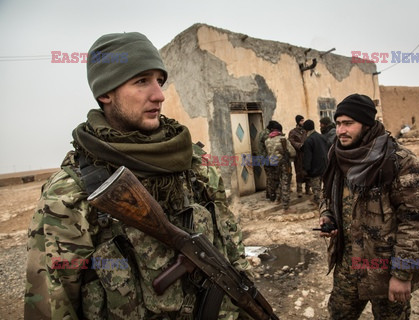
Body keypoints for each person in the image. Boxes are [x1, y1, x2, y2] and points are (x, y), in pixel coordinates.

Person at [24, 32, 253, 320]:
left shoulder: (195, 166)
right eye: (142, 81)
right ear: (105, 93)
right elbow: (52, 305)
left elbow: (232, 256)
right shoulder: (72, 194)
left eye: (160, 80)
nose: (159, 94)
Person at [318, 94, 419, 319]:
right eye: (339, 123)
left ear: (367, 124)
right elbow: (327, 193)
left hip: (385, 268)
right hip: (347, 266)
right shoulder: (337, 156)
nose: (341, 130)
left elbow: (418, 221)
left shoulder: (399, 161)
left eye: (348, 123)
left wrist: (402, 273)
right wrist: (327, 215)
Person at [265, 122, 296, 213]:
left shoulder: (267, 141)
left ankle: (277, 200)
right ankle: (286, 207)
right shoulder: (283, 139)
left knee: (277, 182)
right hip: (284, 164)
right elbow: (293, 152)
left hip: (273, 163)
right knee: (285, 183)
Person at [301, 120, 329, 207]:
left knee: (316, 188)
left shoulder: (308, 141)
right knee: (324, 187)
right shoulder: (322, 137)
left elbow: (307, 157)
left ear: (305, 130)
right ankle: (325, 202)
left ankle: (320, 206)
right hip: (324, 166)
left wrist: (306, 169)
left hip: (315, 169)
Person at [288, 115, 310, 197]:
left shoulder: (305, 131)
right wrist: (300, 145)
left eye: (303, 121)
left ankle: (308, 189)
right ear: (297, 122)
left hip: (306, 154)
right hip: (298, 155)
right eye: (301, 121)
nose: (303, 122)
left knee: (308, 171)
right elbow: (291, 141)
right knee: (299, 173)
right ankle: (299, 190)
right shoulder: (293, 132)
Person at [258, 120, 280, 201]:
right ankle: (272, 195)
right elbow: (271, 144)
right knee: (271, 176)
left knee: (269, 176)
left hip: (265, 157)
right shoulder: (266, 134)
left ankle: (269, 193)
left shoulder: (263, 132)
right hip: (267, 158)